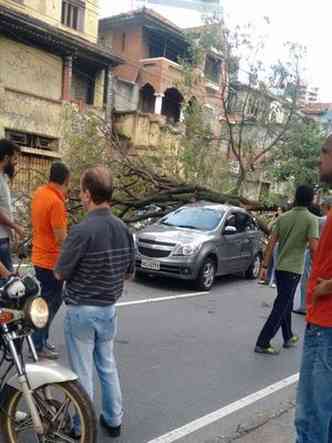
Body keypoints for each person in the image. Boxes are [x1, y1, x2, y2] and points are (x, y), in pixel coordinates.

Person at [55, 166, 135, 439]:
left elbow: (59, 272)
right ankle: (113, 420)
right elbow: (128, 271)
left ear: (88, 195)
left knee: (82, 372)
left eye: (81, 190)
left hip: (82, 311)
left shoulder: (82, 230)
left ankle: (81, 426)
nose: (79, 194)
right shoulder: (124, 229)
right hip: (109, 310)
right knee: (107, 365)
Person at [295, 136, 332, 442]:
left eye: (324, 154)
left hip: (326, 326)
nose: (320, 161)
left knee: (311, 417)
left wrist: (327, 287)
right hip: (321, 322)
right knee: (322, 417)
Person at [255, 185, 319, 355]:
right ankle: (263, 342)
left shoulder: (284, 217)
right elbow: (313, 248)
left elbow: (271, 243)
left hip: (280, 268)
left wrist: (265, 266)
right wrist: (319, 268)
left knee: (286, 302)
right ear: (311, 200)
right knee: (281, 306)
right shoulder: (310, 219)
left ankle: (288, 336)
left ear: (295, 198)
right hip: (293, 270)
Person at [31, 161, 70, 359]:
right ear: (66, 180)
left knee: (48, 299)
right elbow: (61, 238)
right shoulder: (56, 202)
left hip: (38, 256)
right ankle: (38, 342)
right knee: (50, 302)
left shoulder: (40, 193)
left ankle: (39, 339)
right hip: (51, 261)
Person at [293, 205, 325, 315]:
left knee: (306, 280)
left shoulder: (318, 220)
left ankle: (304, 306)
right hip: (322, 255)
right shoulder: (322, 220)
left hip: (314, 253)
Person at [0, 139, 24, 278]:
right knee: (9, 285)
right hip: (0, 239)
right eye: (15, 158)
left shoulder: (3, 178)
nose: (16, 162)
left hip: (4, 238)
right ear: (6, 157)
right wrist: (16, 227)